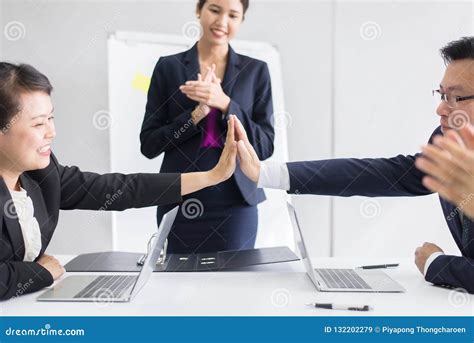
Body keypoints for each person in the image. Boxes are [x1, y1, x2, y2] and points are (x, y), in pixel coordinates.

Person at [233, 36, 474, 293]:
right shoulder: (447, 142)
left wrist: (435, 264)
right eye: (442, 94)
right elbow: (378, 174)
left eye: (456, 98)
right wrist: (265, 173)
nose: (440, 108)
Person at [0, 62, 238, 300]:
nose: (52, 132)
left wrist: (211, 176)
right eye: (39, 123)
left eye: (51, 118)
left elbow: (118, 189)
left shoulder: (42, 174)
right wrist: (39, 272)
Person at [140, 0, 274, 253]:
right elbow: (149, 144)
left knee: (234, 287)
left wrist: (225, 103)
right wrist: (196, 114)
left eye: (233, 15)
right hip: (179, 198)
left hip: (236, 203)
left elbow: (265, 146)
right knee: (176, 288)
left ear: (241, 20)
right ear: (198, 10)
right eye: (214, 9)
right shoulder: (169, 68)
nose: (222, 21)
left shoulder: (255, 71)